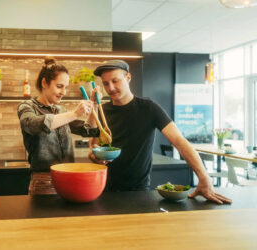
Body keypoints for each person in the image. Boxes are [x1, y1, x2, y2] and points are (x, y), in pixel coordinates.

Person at [88, 60, 231, 204]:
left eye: (115, 81)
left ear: (128, 78)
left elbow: (179, 141)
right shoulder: (102, 110)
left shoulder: (149, 108)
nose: (110, 88)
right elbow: (93, 147)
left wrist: (204, 177)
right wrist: (94, 106)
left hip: (138, 190)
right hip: (103, 188)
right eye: (106, 83)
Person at [17, 57, 97, 195]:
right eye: (59, 86)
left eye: (65, 87)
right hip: (45, 182)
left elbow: (88, 130)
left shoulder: (61, 110)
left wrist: (94, 104)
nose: (63, 92)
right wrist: (75, 114)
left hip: (70, 177)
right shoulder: (27, 106)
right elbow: (32, 125)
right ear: (44, 83)